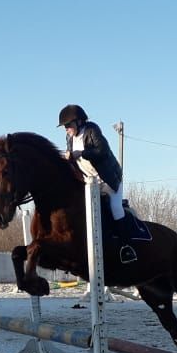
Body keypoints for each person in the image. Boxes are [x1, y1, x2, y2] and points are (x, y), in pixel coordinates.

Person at [58, 104, 137, 264]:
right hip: (89, 181)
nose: (66, 129)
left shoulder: (92, 130)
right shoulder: (70, 138)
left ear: (79, 122)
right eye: (65, 126)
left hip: (109, 179)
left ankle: (127, 248)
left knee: (115, 208)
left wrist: (82, 153)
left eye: (68, 125)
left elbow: (102, 151)